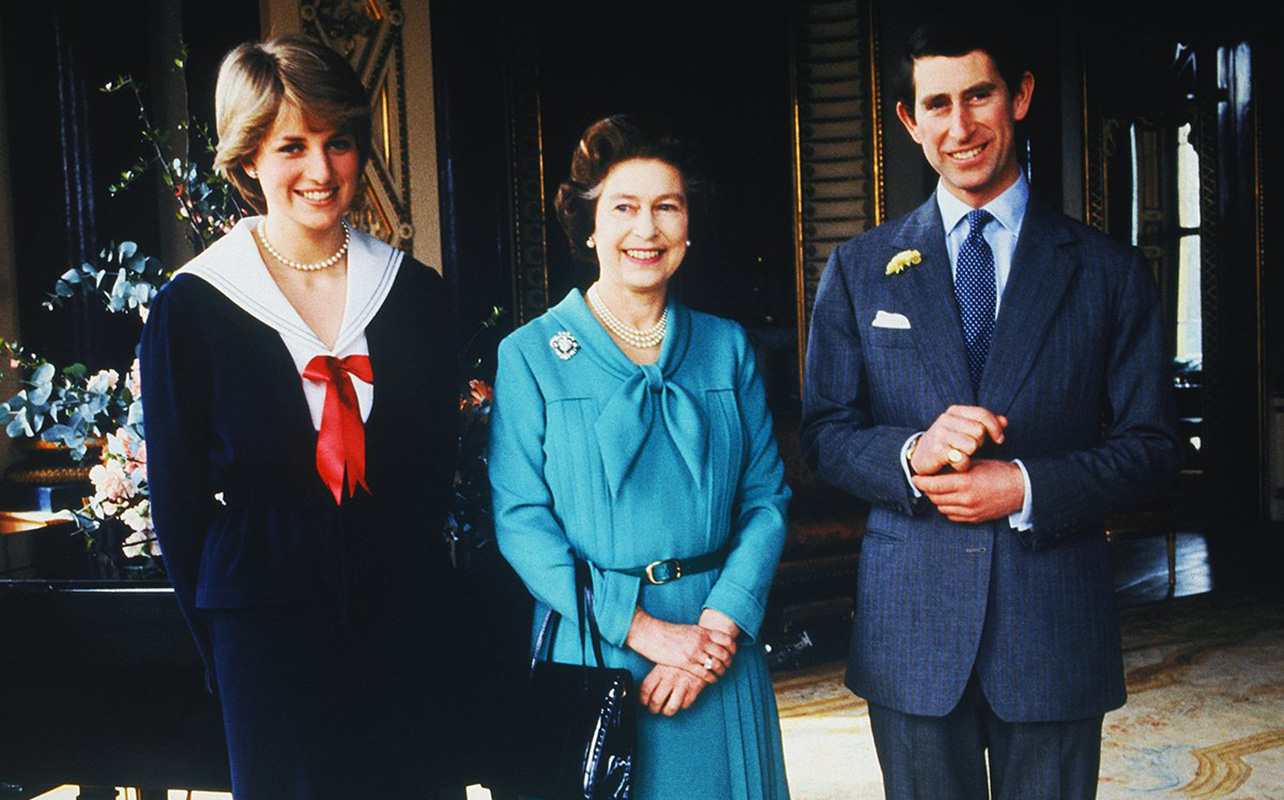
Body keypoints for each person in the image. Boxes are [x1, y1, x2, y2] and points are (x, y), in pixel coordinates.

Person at [799, 18, 1182, 800]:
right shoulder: (860, 269)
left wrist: (1025, 487)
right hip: (910, 633)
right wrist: (909, 454)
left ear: (1021, 96)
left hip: (1053, 628)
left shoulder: (1108, 272)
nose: (961, 126)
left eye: (979, 95)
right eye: (937, 104)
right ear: (910, 121)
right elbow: (825, 434)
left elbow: (1152, 446)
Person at [141, 36, 461, 799]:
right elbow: (177, 509)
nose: (321, 170)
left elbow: (432, 480)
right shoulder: (193, 307)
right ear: (248, 157)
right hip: (264, 636)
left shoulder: (415, 295)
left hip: (402, 622)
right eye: (292, 146)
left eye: (338, 142)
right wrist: (225, 650)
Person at [488, 115, 792, 799]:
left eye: (667, 207)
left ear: (689, 226)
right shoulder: (531, 356)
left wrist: (713, 633)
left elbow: (767, 501)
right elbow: (520, 521)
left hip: (719, 648)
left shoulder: (727, 347)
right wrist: (643, 629)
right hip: (594, 651)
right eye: (623, 208)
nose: (646, 229)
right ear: (590, 227)